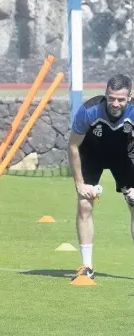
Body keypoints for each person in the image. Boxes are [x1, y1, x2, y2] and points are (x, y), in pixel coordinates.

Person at [67, 74, 134, 281]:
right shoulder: (89, 110)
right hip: (92, 154)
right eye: (111, 98)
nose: (115, 103)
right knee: (85, 205)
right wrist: (79, 183)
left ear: (130, 97)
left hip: (125, 156)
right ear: (106, 94)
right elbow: (73, 145)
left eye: (121, 99)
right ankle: (86, 267)